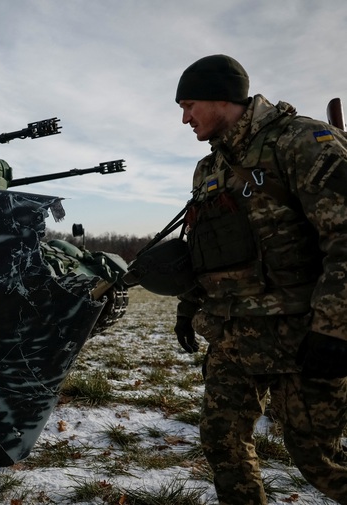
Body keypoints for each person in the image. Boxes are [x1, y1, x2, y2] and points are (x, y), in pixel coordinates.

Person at [173, 54, 347, 504]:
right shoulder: (208, 168)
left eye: (189, 104)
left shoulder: (302, 141)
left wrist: (335, 327)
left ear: (222, 97)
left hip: (303, 336)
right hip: (234, 335)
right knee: (222, 443)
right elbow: (204, 246)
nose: (185, 118)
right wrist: (188, 306)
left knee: (319, 462)